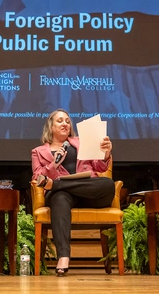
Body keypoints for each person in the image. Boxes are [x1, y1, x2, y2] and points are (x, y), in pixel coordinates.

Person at [31, 109, 114, 276]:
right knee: (60, 198)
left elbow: (100, 167)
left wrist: (106, 153)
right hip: (65, 198)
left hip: (90, 194)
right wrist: (54, 165)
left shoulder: (82, 142)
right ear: (51, 126)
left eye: (68, 121)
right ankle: (63, 256)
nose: (65, 124)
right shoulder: (39, 151)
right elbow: (37, 177)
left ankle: (57, 185)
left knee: (108, 184)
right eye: (60, 121)